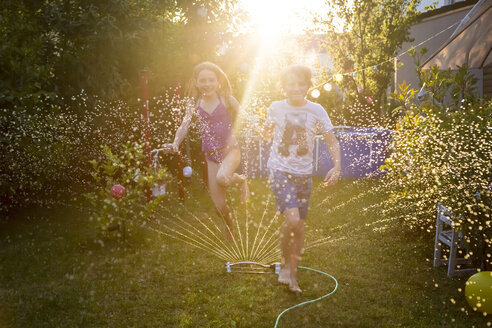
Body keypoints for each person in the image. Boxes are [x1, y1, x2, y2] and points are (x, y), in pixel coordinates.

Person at [262, 65, 341, 294]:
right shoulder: (276, 107)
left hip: (304, 175)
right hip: (279, 171)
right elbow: (266, 135)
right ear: (284, 87)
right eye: (291, 84)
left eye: (300, 83)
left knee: (298, 226)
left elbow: (331, 141)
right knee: (294, 220)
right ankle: (286, 268)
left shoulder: (317, 110)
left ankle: (291, 272)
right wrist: (265, 129)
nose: (295, 88)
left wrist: (337, 166)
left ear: (308, 85)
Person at [161, 62, 249, 241]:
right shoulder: (194, 103)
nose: (207, 84)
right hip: (211, 155)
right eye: (203, 80)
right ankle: (229, 223)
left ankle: (240, 180)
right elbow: (184, 124)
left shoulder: (226, 98)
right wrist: (175, 144)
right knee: (219, 206)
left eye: (211, 80)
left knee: (223, 178)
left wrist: (260, 126)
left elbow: (245, 115)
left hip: (231, 150)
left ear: (218, 81)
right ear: (196, 82)